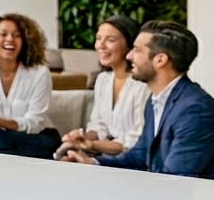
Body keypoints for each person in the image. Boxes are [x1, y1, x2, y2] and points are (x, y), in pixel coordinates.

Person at [62, 21, 214, 200]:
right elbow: (139, 157)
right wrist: (92, 164)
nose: (129, 56)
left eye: (136, 49)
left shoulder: (194, 108)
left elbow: (177, 180)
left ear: (160, 59)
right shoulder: (157, 101)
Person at [0, 13, 61, 159]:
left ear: (25, 41)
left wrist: (3, 123)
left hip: (35, 139)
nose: (10, 39)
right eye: (3, 34)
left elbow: (35, 122)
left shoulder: (39, 73)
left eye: (17, 35)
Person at [56, 16, 149, 158]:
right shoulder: (103, 80)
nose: (101, 45)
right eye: (98, 38)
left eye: (110, 40)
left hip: (131, 158)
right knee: (65, 152)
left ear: (130, 45)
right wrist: (82, 137)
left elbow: (134, 141)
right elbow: (99, 125)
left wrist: (91, 145)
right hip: (104, 152)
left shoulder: (142, 85)